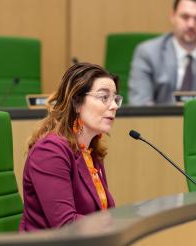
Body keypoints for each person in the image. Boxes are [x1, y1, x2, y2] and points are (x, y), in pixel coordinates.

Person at [19, 63, 120, 231]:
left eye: (115, 98)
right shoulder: (50, 151)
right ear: (76, 102)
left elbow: (102, 212)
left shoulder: (91, 151)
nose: (114, 106)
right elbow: (65, 224)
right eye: (104, 97)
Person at [128, 0, 196, 105]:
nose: (191, 24)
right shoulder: (148, 53)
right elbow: (140, 103)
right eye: (185, 17)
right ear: (172, 16)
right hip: (160, 120)